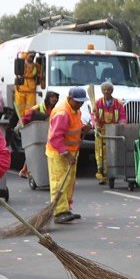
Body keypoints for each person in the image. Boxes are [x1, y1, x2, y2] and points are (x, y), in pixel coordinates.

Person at [46, 85, 86, 224]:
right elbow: (55, 138)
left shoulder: (75, 110)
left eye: (82, 102)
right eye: (78, 101)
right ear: (69, 99)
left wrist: (83, 127)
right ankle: (59, 212)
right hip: (59, 152)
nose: (80, 104)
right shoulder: (62, 113)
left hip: (71, 151)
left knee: (68, 182)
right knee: (59, 182)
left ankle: (66, 208)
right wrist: (67, 154)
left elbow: (75, 125)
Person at [90, 81, 128, 185]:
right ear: (102, 91)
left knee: (111, 153)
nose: (106, 92)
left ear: (112, 91)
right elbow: (93, 116)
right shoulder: (97, 103)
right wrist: (95, 124)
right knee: (100, 154)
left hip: (113, 132)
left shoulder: (118, 103)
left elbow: (122, 117)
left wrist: (121, 125)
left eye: (108, 90)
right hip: (101, 132)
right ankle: (101, 174)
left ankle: (109, 173)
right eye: (104, 90)